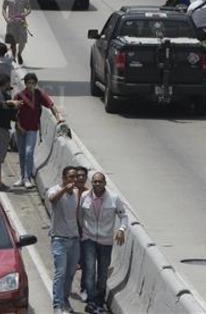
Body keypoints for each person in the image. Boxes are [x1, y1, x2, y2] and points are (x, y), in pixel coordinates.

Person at [80, 171, 127, 314]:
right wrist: (83, 232)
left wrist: (121, 229)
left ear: (105, 183)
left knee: (102, 273)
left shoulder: (113, 198)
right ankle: (92, 301)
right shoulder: (85, 196)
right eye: (94, 181)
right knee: (89, 272)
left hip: (106, 242)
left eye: (100, 181)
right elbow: (80, 216)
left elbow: (123, 216)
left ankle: (99, 301)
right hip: (89, 239)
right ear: (92, 182)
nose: (97, 184)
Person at [12, 72, 63, 189]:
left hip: (33, 128)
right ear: (25, 83)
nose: (31, 85)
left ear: (36, 83)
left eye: (33, 83)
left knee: (29, 152)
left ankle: (28, 177)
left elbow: (51, 105)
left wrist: (58, 117)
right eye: (28, 83)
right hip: (20, 129)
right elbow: (13, 113)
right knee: (22, 153)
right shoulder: (19, 95)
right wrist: (19, 126)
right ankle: (22, 176)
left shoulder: (39, 94)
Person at [47, 167, 83, 314]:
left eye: (75, 177)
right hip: (59, 240)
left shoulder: (75, 193)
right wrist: (63, 190)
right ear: (63, 178)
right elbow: (52, 199)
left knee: (70, 274)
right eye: (70, 177)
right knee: (60, 273)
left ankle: (65, 300)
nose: (73, 180)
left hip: (74, 240)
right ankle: (57, 305)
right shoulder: (54, 190)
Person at [2, 0, 32, 65]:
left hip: (21, 22)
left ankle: (19, 54)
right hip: (11, 23)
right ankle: (14, 56)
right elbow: (3, 8)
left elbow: (29, 9)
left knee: (23, 41)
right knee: (13, 42)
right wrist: (6, 19)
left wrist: (24, 14)